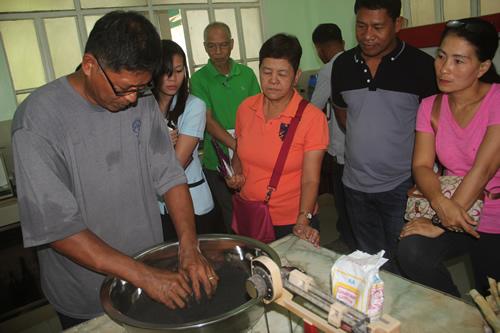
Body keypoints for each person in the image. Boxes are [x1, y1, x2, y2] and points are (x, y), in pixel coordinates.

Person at [11, 11, 217, 329]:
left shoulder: (140, 99)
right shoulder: (38, 121)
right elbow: (58, 229)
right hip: (87, 293)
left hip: (150, 273)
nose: (133, 98)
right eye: (123, 88)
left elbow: (170, 175)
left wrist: (189, 246)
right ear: (90, 64)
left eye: (142, 87)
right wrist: (143, 274)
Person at [331, 0, 438, 273]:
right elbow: (345, 119)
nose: (368, 35)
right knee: (370, 264)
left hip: (401, 186)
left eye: (378, 27)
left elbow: (435, 129)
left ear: (397, 24)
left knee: (406, 262)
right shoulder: (342, 65)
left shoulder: (422, 66)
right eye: (361, 25)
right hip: (354, 187)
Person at [398, 17, 500, 297]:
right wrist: (440, 205)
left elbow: (483, 170)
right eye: (441, 56)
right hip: (450, 207)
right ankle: (456, 311)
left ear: (483, 67)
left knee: (491, 294)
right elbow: (421, 165)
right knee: (412, 250)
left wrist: (439, 223)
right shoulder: (430, 106)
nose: (444, 69)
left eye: (458, 61)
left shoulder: (497, 101)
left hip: (493, 218)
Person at [226, 33, 329, 248]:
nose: (273, 80)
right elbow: (240, 153)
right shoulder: (246, 108)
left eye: (282, 73)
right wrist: (235, 176)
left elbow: (311, 179)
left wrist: (304, 220)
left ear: (296, 76)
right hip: (251, 216)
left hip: (290, 222)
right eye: (267, 72)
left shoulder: (312, 119)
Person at [191, 22, 261, 233]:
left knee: (255, 207)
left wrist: (243, 149)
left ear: (231, 44)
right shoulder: (199, 80)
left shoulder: (246, 74)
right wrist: (236, 145)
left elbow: (257, 113)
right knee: (231, 214)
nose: (218, 52)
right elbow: (208, 120)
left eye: (223, 45)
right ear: (204, 47)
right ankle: (237, 260)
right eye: (212, 46)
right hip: (218, 163)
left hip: (250, 157)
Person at [153, 40, 217, 240]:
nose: (173, 79)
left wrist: (155, 143)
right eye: (166, 72)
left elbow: (176, 164)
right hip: (156, 208)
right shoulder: (143, 107)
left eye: (179, 71)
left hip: (193, 204)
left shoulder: (194, 106)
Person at [310, 23, 355, 254]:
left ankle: (347, 240)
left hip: (340, 146)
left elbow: (314, 107)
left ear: (318, 49)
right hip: (358, 144)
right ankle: (350, 234)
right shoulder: (357, 60)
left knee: (343, 197)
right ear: (343, 42)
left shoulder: (329, 68)